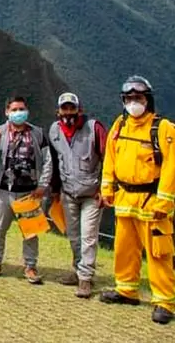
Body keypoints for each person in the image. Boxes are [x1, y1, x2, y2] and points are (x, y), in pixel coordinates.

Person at [99, 76, 175, 325]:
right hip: (125, 199)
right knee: (124, 249)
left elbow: (171, 168)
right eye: (129, 98)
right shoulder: (120, 125)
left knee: (158, 253)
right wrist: (107, 188)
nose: (134, 103)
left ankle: (164, 301)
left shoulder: (163, 129)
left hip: (151, 201)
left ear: (147, 99)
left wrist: (164, 203)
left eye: (138, 98)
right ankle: (126, 289)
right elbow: (110, 158)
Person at [0, 96, 52, 284]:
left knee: (31, 232)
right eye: (14, 110)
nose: (18, 113)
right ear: (7, 112)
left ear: (27, 111)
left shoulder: (38, 133)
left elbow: (48, 161)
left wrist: (43, 185)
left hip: (29, 192)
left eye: (21, 109)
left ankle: (30, 266)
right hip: (4, 190)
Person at [47, 92, 107, 298]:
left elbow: (108, 158)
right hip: (68, 192)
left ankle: (85, 278)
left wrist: (106, 189)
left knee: (88, 236)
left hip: (92, 193)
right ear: (58, 111)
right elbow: (55, 162)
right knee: (73, 235)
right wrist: (54, 190)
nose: (68, 112)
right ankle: (78, 269)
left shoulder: (94, 128)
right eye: (64, 108)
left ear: (79, 109)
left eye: (71, 108)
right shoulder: (55, 130)